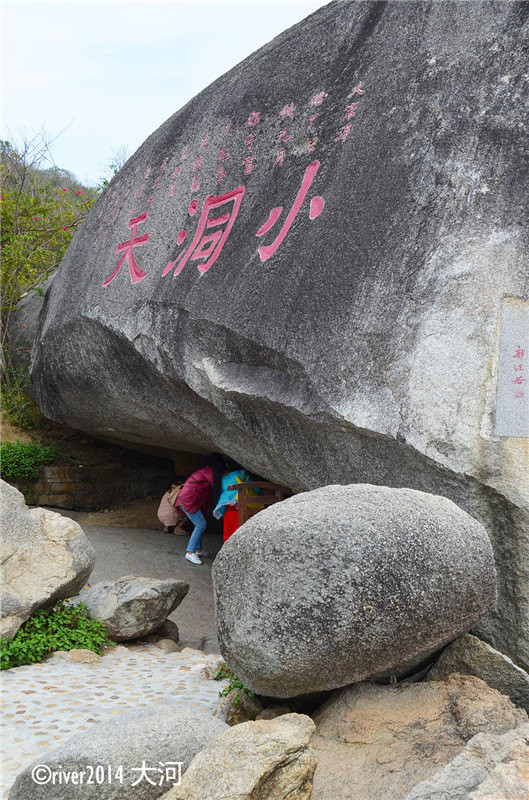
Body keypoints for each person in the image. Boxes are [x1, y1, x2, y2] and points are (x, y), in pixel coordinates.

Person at [176, 452, 227, 565]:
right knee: (200, 524)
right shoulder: (209, 472)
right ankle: (190, 552)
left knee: (199, 523)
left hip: (187, 499)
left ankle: (198, 550)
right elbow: (219, 485)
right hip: (188, 499)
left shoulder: (206, 470)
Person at [213, 468, 263, 543]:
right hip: (244, 509)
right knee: (240, 534)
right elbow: (256, 489)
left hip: (229, 511)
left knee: (228, 533)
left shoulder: (220, 480)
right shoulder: (240, 474)